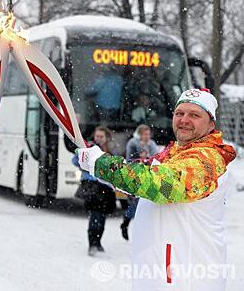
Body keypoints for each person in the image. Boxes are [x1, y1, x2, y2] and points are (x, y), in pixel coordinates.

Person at [77, 88, 236, 290]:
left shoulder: (207, 159)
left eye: (194, 115)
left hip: (186, 280)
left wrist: (102, 165)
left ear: (211, 123)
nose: (184, 119)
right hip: (159, 277)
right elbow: (136, 178)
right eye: (180, 113)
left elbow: (162, 185)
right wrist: (95, 164)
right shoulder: (173, 153)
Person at [73, 126, 116, 256]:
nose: (98, 139)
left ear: (106, 138)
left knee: (102, 216)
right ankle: (92, 243)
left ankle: (98, 242)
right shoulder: (89, 148)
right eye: (97, 136)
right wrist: (85, 158)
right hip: (92, 185)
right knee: (95, 215)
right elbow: (75, 160)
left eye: (101, 136)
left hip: (106, 186)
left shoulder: (110, 149)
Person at [121, 124, 159, 240]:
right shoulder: (133, 143)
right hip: (134, 177)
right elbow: (129, 159)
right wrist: (139, 156)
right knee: (135, 205)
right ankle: (126, 223)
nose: (147, 136)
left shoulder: (151, 144)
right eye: (145, 134)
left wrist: (148, 158)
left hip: (148, 177)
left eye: (148, 134)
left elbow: (156, 157)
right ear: (140, 134)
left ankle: (139, 230)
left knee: (144, 205)